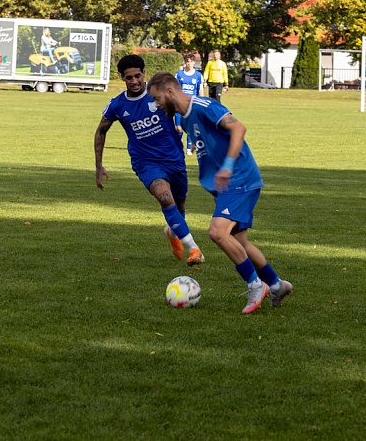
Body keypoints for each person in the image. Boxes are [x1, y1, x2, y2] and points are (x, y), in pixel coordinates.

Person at [146, 71, 293, 314]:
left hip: (239, 178)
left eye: (157, 98)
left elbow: (239, 128)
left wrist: (226, 167)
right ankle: (277, 284)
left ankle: (256, 285)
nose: (157, 105)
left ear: (170, 91)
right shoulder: (184, 117)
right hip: (227, 186)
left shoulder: (204, 105)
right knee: (239, 241)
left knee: (217, 232)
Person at [94, 54, 205, 266]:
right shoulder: (117, 105)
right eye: (129, 78)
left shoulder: (159, 94)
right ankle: (194, 249)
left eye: (137, 76)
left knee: (179, 204)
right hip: (145, 162)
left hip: (174, 159)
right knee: (165, 197)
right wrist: (98, 166)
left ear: (144, 73)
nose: (134, 81)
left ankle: (173, 232)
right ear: (122, 78)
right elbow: (100, 132)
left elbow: (187, 111)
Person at [174, 53, 204, 155]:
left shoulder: (198, 75)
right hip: (180, 104)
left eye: (191, 61)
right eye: (187, 61)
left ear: (194, 62)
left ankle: (188, 148)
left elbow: (200, 90)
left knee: (191, 126)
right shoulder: (179, 74)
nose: (189, 63)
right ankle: (179, 145)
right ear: (185, 62)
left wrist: (201, 103)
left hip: (192, 105)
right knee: (178, 128)